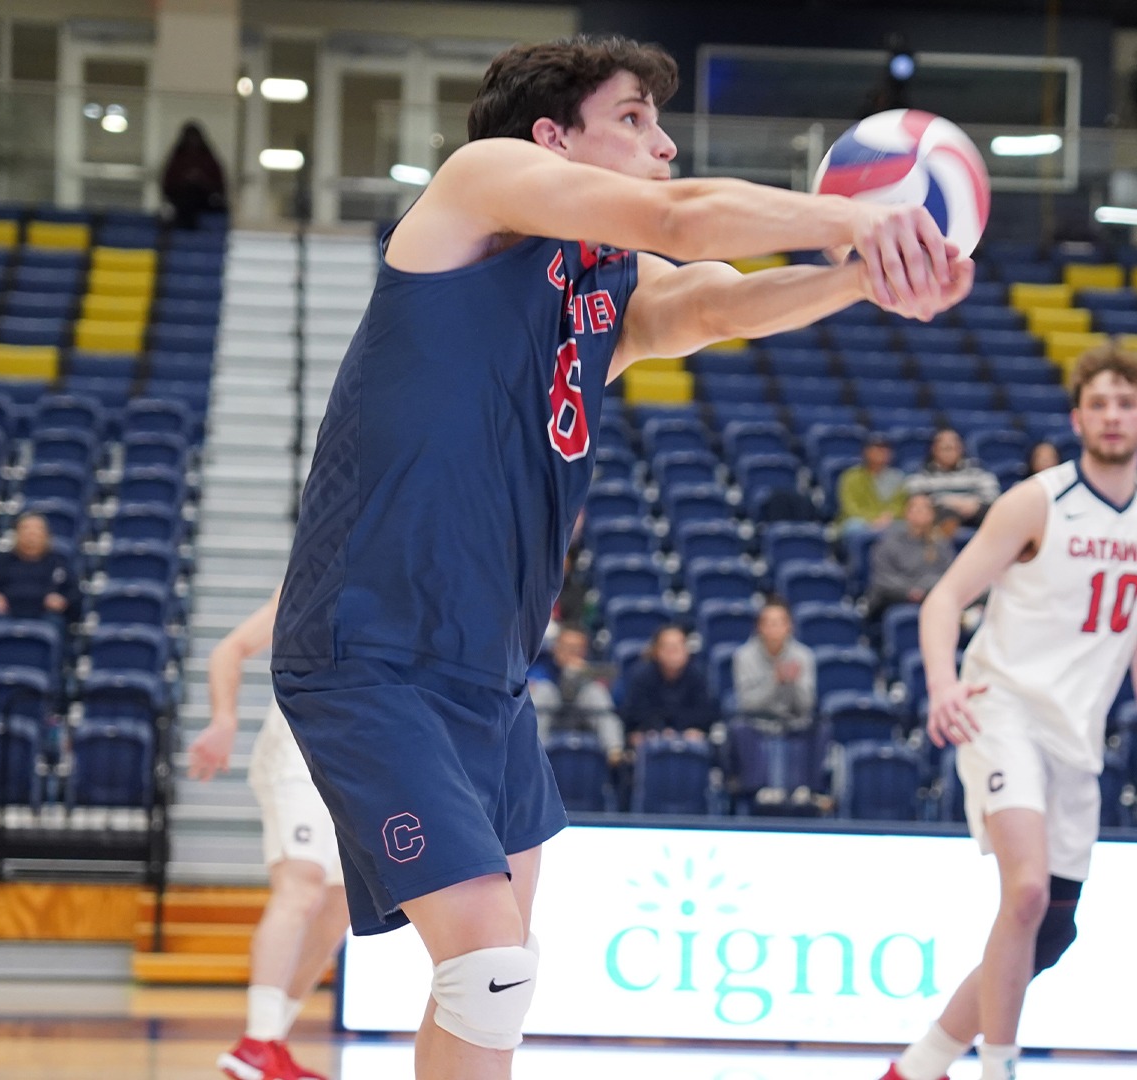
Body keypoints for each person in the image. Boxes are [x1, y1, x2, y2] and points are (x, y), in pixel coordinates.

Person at [268, 34, 970, 1079]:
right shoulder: (480, 183)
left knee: (500, 982)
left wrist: (861, 278)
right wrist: (858, 215)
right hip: (374, 648)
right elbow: (679, 222)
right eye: (634, 118)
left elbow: (713, 302)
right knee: (489, 968)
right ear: (554, 137)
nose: (664, 140)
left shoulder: (596, 278)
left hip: (487, 672)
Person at [883, 348, 1137, 1080]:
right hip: (1003, 708)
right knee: (1023, 891)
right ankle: (1001, 1067)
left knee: (1049, 930)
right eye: (1100, 402)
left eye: (1127, 403)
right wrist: (941, 683)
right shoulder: (1036, 500)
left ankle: (919, 1066)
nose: (1113, 414)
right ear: (1077, 416)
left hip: (1076, 735)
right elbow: (943, 600)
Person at [189, 588, 348, 1080]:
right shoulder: (321, 575)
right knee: (301, 886)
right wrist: (224, 719)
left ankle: (270, 1043)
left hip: (360, 760)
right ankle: (257, 1041)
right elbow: (228, 649)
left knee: (340, 908)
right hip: (298, 750)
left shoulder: (415, 581)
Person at [0, 513, 80, 630]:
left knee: (55, 623)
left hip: (46, 617)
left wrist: (63, 601)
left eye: (37, 530)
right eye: (26, 529)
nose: (31, 535)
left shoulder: (59, 564)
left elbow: (75, 595)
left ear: (47, 535)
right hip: (6, 615)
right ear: (16, 534)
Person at [529, 625, 623, 757]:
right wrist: (565, 674)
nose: (570, 653)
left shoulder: (590, 668)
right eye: (566, 647)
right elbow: (533, 684)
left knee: (596, 692)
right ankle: (532, 754)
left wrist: (584, 673)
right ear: (555, 648)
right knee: (544, 691)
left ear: (584, 651)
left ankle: (615, 752)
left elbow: (612, 679)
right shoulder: (543, 665)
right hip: (552, 711)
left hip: (582, 714)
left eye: (576, 649)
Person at [731, 599, 817, 732]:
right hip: (756, 725)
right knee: (738, 727)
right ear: (759, 627)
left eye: (779, 623)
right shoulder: (743, 656)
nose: (774, 628)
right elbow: (746, 704)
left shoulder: (803, 656)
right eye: (769, 623)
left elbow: (807, 705)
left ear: (789, 626)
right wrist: (774, 681)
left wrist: (793, 683)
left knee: (821, 727)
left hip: (795, 724)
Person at [618, 625, 715, 742]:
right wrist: (660, 730)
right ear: (656, 651)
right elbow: (635, 713)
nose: (674, 652)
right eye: (669, 647)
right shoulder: (641, 676)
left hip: (688, 736)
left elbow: (705, 713)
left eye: (679, 647)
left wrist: (682, 730)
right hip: (650, 734)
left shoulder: (697, 676)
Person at [865, 493, 955, 615]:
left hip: (931, 597)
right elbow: (882, 578)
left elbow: (949, 574)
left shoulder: (941, 544)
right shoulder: (889, 541)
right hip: (894, 599)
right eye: (915, 508)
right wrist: (910, 591)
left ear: (933, 514)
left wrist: (924, 589)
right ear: (906, 512)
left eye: (925, 508)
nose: (920, 512)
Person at [907, 427, 999, 529]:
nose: (950, 453)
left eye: (955, 447)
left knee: (993, 511)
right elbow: (916, 497)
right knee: (938, 513)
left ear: (961, 449)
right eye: (946, 448)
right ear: (934, 450)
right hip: (941, 513)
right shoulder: (922, 473)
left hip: (974, 510)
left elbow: (992, 493)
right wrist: (948, 502)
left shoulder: (976, 469)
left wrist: (975, 503)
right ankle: (943, 545)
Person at [835, 434, 909, 542]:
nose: (880, 453)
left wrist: (888, 518)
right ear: (865, 452)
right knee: (853, 527)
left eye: (884, 449)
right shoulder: (851, 476)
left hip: (890, 521)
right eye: (876, 449)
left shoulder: (898, 477)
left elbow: (902, 505)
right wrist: (873, 520)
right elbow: (850, 507)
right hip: (860, 521)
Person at [162, 120, 228, 230]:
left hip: (205, 198)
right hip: (181, 198)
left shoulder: (208, 159)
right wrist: (185, 181)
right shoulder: (178, 158)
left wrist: (202, 181)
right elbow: (168, 183)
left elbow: (219, 184)